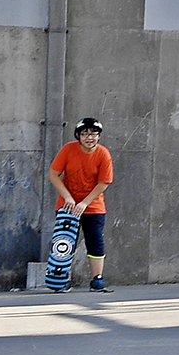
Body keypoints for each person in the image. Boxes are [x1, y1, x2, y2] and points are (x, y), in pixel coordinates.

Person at [48, 117, 116, 292]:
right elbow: (54, 174)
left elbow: (104, 182)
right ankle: (61, 279)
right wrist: (68, 198)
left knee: (95, 241)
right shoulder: (68, 150)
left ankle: (97, 280)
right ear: (78, 136)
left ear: (99, 136)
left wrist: (85, 203)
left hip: (93, 205)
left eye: (93, 133)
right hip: (68, 204)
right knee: (66, 241)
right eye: (85, 134)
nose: (89, 137)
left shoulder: (103, 154)